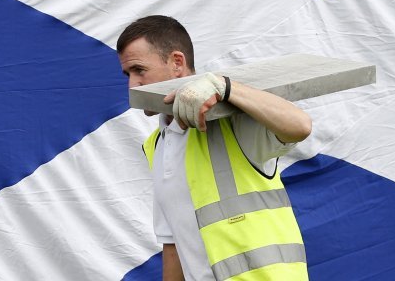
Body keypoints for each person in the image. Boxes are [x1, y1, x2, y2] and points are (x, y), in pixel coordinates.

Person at [117, 15, 312, 281]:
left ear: (177, 63)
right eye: (128, 74)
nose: (132, 84)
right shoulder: (156, 145)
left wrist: (224, 86)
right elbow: (174, 245)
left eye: (140, 70)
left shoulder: (231, 123)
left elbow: (300, 125)